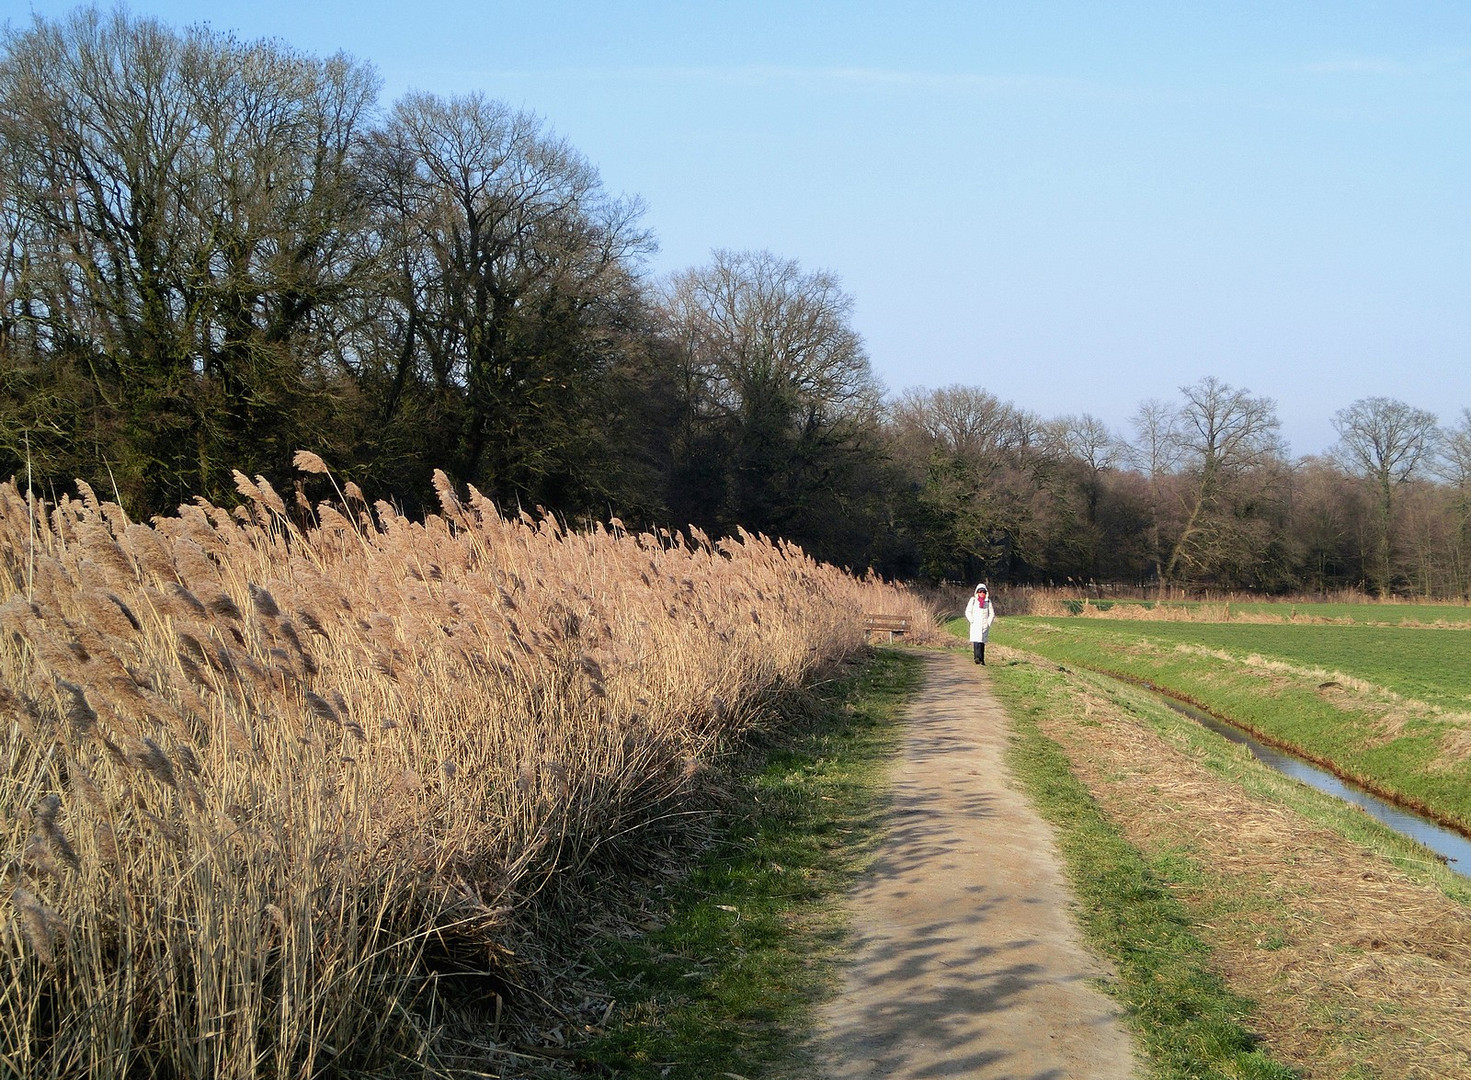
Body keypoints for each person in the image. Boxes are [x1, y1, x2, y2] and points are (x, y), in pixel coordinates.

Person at [964, 583, 995, 664]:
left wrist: (988, 623)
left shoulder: (988, 601)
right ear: (977, 592)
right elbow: (968, 611)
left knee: (982, 643)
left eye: (983, 592)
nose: (982, 593)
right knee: (976, 642)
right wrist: (971, 620)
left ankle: (982, 660)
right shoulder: (973, 600)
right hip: (975, 624)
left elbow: (992, 613)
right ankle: (976, 658)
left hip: (984, 624)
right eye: (980, 591)